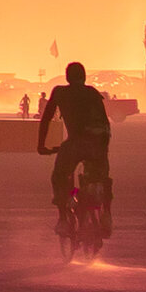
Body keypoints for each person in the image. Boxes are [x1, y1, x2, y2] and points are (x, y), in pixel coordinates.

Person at [38, 61, 113, 222]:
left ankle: (63, 218)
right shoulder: (92, 93)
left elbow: (46, 119)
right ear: (84, 77)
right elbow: (105, 123)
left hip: (75, 144)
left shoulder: (59, 92)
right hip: (97, 144)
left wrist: (41, 145)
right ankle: (107, 213)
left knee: (60, 176)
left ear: (67, 77)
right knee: (102, 176)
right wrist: (103, 146)